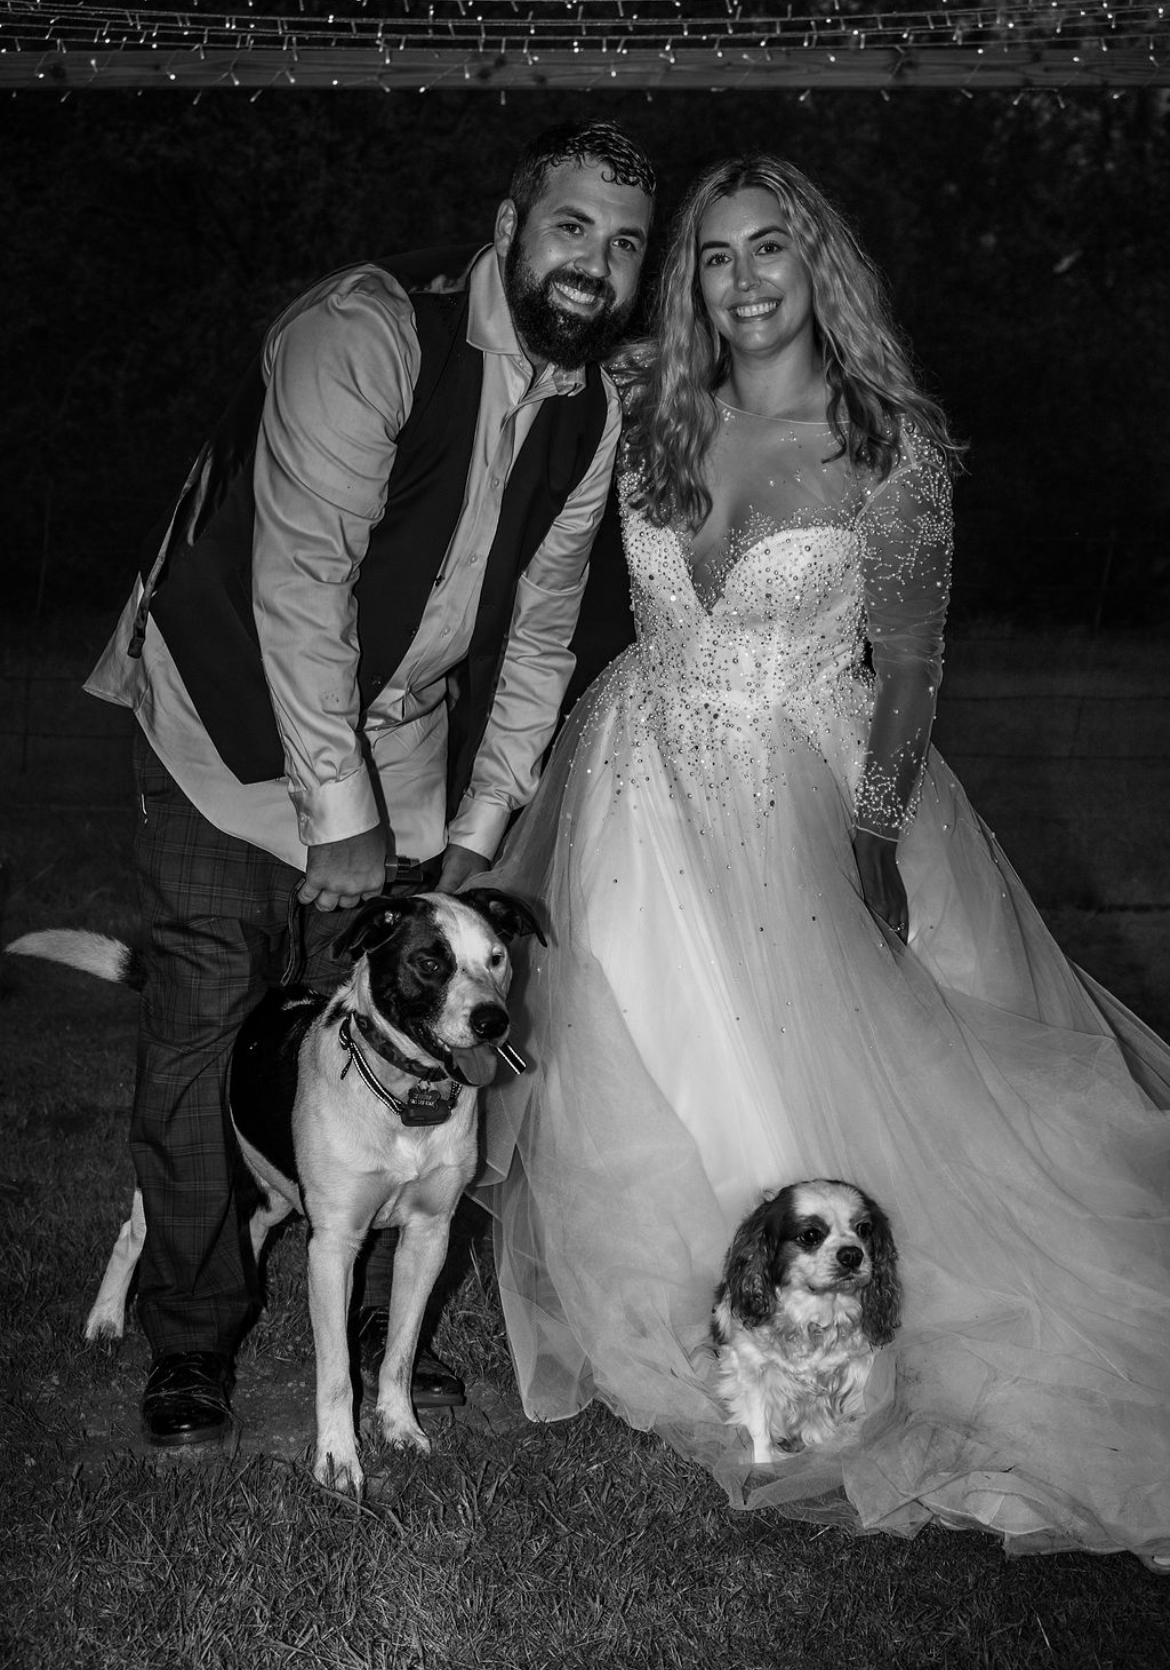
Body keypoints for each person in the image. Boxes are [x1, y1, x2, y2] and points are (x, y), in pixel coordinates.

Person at [475, 154, 1170, 1570]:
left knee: (818, 1059)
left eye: (768, 249)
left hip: (806, 786)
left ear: (818, 265)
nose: (741, 280)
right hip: (629, 781)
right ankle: (694, 1306)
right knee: (638, 1044)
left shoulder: (885, 445)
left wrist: (870, 830)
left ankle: (830, 1317)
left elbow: (910, 667)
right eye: (714, 256)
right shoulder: (645, 404)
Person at [83, 121, 656, 1449]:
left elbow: (543, 627)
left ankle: (376, 1330)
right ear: (509, 228)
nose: (596, 264)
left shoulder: (593, 413)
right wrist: (336, 818)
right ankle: (194, 1335)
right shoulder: (366, 333)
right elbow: (299, 588)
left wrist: (474, 823)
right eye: (572, 226)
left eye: (625, 244)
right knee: (210, 1012)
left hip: (396, 739)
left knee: (384, 1024)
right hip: (222, 715)